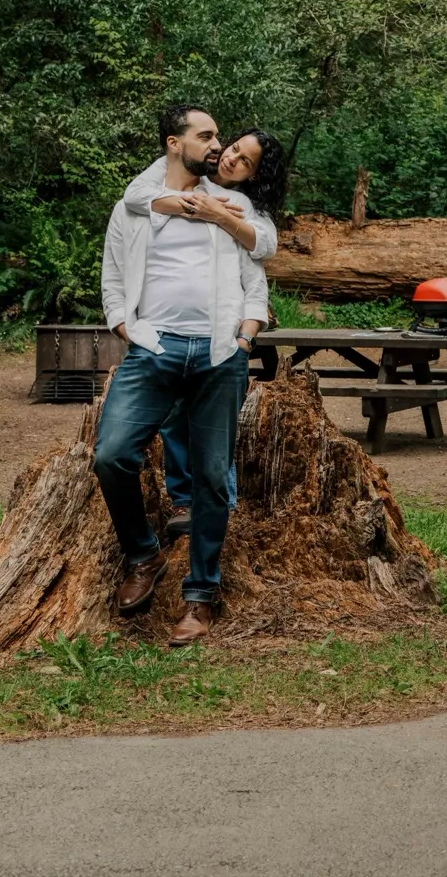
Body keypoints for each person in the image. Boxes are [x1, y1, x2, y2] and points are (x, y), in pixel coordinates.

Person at [96, 104, 270, 646]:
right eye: (208, 136)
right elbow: (112, 275)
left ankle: (200, 596)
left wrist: (245, 337)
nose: (219, 146)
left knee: (214, 478)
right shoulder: (137, 206)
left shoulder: (233, 203)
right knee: (111, 455)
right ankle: (144, 556)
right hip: (155, 350)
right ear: (175, 144)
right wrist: (127, 327)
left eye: (221, 137)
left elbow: (256, 271)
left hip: (220, 353)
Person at [122, 129, 282, 534]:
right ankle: (184, 500)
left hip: (222, 331)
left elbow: (264, 247)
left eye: (246, 160)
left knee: (213, 428)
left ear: (255, 174)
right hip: (169, 330)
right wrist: (189, 203)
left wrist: (221, 216)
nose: (232, 159)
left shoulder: (245, 205)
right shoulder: (187, 173)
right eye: (234, 149)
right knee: (175, 417)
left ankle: (218, 506)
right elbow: (135, 196)